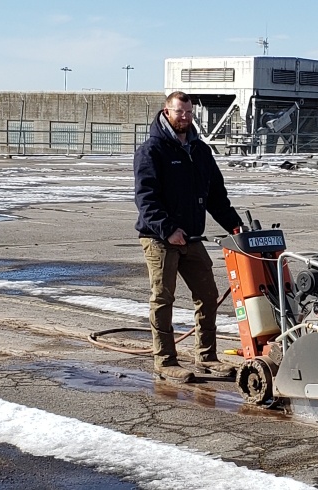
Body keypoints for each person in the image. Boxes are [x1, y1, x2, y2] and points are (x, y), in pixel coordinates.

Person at [133, 91, 243, 383]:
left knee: (207, 294)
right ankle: (165, 361)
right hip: (159, 238)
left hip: (192, 237)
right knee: (163, 298)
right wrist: (168, 229)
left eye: (189, 113)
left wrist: (236, 226)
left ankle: (206, 357)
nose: (184, 118)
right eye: (179, 112)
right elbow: (146, 199)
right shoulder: (152, 150)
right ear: (166, 112)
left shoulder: (201, 151)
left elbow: (216, 197)